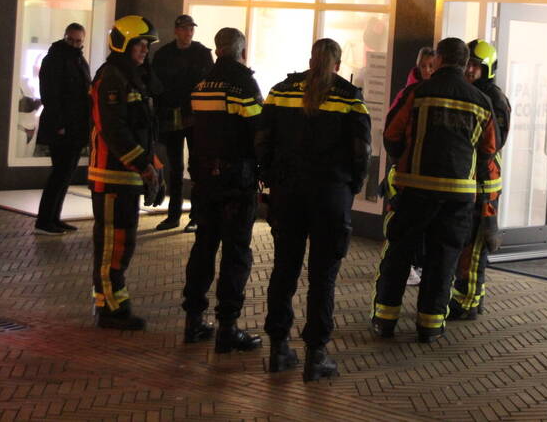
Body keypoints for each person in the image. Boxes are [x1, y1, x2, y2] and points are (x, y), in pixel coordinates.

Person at [256, 38, 371, 382]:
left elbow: (262, 139)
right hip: (329, 197)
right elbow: (362, 150)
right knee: (323, 278)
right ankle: (315, 356)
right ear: (336, 64)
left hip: (288, 194)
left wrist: (268, 179)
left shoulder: (280, 90)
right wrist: (352, 186)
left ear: (310, 60)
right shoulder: (349, 96)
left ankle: (278, 349)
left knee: (284, 270)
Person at [372, 37, 499, 344]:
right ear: (464, 61)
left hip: (414, 190)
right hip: (458, 198)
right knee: (443, 260)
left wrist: (407, 160)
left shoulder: (418, 93)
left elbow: (391, 135)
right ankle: (429, 326)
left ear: (440, 59)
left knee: (400, 254)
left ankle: (385, 321)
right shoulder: (481, 103)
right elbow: (488, 152)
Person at [180, 27, 264, 352]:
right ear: (241, 51)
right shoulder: (243, 83)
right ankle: (228, 328)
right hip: (236, 182)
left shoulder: (201, 85)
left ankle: (194, 321)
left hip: (204, 179)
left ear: (217, 50)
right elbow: (258, 130)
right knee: (235, 252)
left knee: (203, 247)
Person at [88, 15, 163, 330]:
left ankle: (114, 301)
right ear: (124, 44)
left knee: (124, 242)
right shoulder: (111, 78)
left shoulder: (132, 76)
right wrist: (143, 165)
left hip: (127, 174)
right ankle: (109, 308)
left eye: (147, 45)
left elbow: (142, 129)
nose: (145, 50)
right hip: (111, 175)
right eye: (140, 44)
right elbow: (113, 130)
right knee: (111, 244)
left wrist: (152, 166)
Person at [449, 39, 511, 320]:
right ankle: (471, 296)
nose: (470, 69)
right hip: (470, 178)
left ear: (487, 69)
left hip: (484, 181)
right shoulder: (470, 93)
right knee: (466, 244)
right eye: (468, 64)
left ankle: (467, 302)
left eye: (476, 65)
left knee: (474, 247)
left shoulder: (493, 99)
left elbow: (493, 144)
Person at [152, 14, 213, 232]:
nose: (188, 33)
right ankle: (173, 215)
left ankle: (196, 215)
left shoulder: (203, 54)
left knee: (196, 167)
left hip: (196, 117)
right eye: (185, 29)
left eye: (191, 29)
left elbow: (209, 84)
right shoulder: (163, 55)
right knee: (175, 168)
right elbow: (156, 86)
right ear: (176, 30)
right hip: (171, 118)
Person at [384, 46, 435, 286]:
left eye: (431, 66)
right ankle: (408, 266)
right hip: (407, 169)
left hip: (423, 170)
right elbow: (392, 130)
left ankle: (417, 264)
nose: (427, 70)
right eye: (423, 66)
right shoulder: (408, 93)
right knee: (404, 221)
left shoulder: (434, 93)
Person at [34, 23, 91, 235]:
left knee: (64, 175)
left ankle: (53, 218)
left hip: (74, 127)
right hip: (64, 128)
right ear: (65, 37)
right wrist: (59, 125)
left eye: (78, 41)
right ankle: (45, 220)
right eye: (72, 40)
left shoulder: (76, 59)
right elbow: (50, 94)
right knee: (60, 174)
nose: (75, 44)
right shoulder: (56, 60)